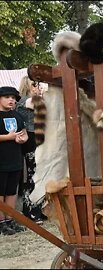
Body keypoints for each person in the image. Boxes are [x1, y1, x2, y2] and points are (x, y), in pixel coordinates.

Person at [15, 76, 46, 224]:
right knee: (32, 175)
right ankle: (30, 210)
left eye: (38, 85)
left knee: (39, 174)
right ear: (27, 85)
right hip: (29, 139)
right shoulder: (22, 100)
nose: (37, 87)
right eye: (34, 85)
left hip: (38, 136)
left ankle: (37, 209)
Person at [0, 86, 28, 235]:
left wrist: (23, 139)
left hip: (15, 159)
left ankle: (10, 220)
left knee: (11, 192)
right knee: (0, 192)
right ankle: (1, 223)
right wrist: (8, 137)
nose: (11, 100)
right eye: (7, 97)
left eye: (13, 98)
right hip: (1, 161)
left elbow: (24, 133)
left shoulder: (17, 115)